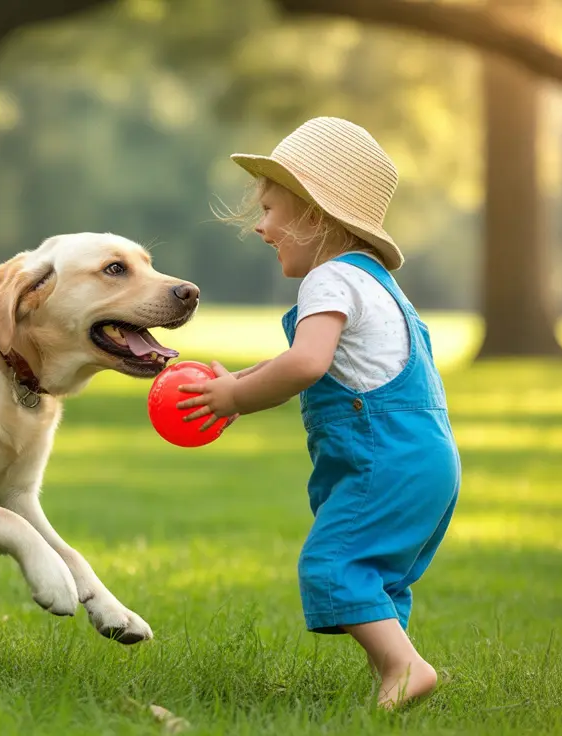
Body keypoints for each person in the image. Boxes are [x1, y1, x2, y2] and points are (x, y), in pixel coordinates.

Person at [177, 117, 461, 709]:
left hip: (384, 456)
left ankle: (406, 669)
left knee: (331, 563)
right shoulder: (373, 282)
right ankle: (395, 677)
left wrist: (234, 400)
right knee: (375, 573)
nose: (260, 227)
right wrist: (241, 380)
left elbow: (306, 364)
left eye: (270, 209)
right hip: (426, 457)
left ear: (315, 214)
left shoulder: (329, 279)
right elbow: (311, 362)